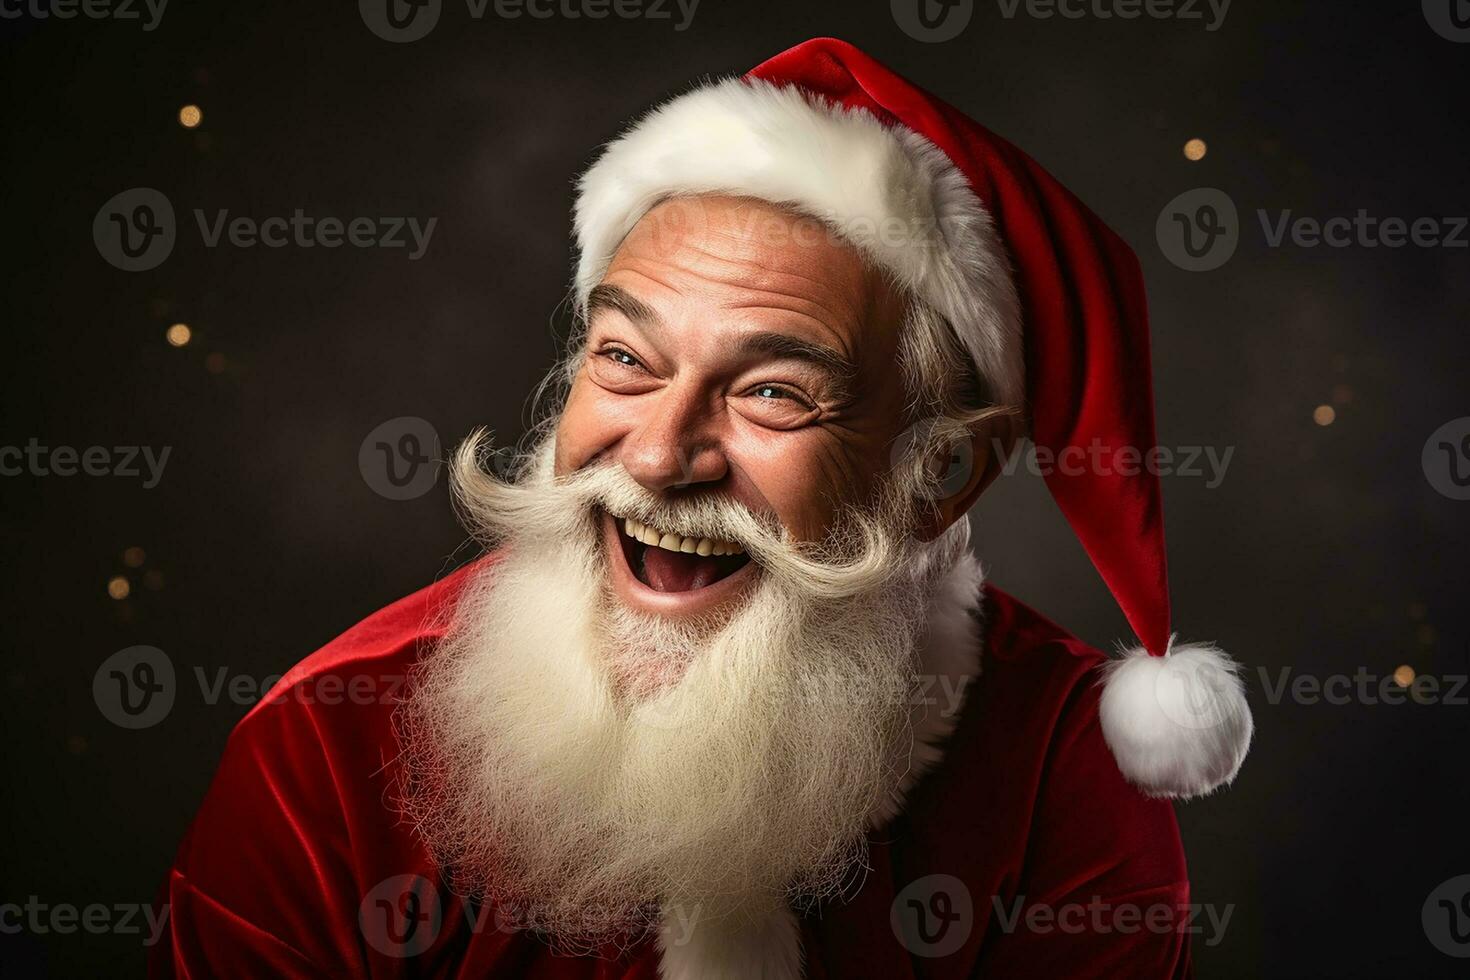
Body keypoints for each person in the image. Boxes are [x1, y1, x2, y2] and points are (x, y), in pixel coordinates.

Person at [152, 37, 1252, 979]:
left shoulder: (1061, 770)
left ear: (940, 476)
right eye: (625, 358)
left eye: (773, 391)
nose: (661, 452)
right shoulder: (327, 747)